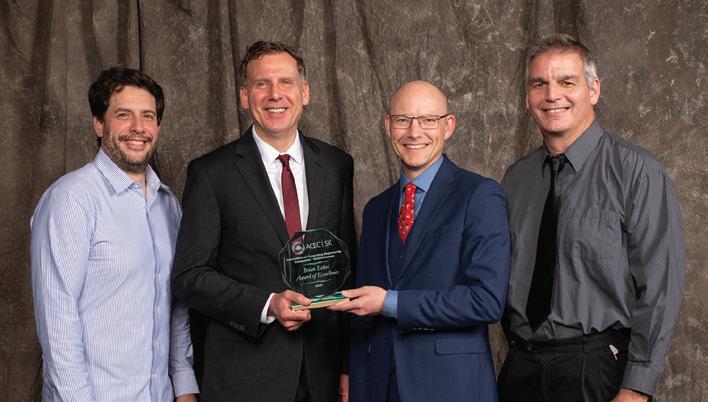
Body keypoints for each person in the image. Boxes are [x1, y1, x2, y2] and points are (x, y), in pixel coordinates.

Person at [498, 34, 686, 402]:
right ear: (528, 98)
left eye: (567, 82)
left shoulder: (637, 172)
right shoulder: (515, 179)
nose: (552, 95)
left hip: (598, 370)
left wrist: (636, 388)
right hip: (521, 368)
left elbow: (660, 288)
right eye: (539, 84)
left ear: (594, 90)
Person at [170, 41, 355, 402]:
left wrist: (347, 365)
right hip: (245, 376)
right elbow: (189, 277)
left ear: (304, 92)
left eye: (286, 82)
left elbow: (347, 268)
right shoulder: (211, 173)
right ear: (244, 96)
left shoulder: (336, 166)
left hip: (322, 372)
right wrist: (267, 304)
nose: (275, 95)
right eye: (261, 84)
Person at [330, 80, 510, 402]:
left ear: (448, 126)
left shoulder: (480, 195)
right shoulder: (376, 208)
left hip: (451, 386)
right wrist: (352, 375)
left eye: (428, 120)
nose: (414, 132)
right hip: (378, 384)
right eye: (403, 120)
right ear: (388, 126)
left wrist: (390, 303)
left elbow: (486, 300)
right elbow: (362, 307)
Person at [30, 67, 199, 401]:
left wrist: (184, 386)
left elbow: (176, 305)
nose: (138, 127)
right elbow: (56, 318)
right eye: (124, 115)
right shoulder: (72, 199)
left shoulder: (169, 206)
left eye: (147, 116)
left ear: (157, 127)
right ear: (99, 123)